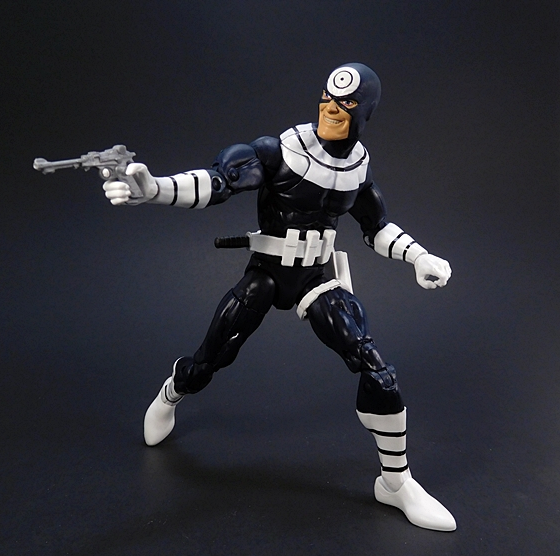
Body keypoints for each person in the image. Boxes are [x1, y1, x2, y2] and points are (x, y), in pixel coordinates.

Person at [103, 63, 456, 531]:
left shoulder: (357, 168)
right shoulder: (279, 152)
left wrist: (418, 256)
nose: (331, 109)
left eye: (346, 104)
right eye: (327, 99)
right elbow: (219, 181)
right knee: (211, 360)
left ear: (364, 112)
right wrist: (155, 190)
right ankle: (173, 391)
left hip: (317, 278)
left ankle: (396, 483)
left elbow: (376, 227)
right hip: (268, 273)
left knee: (376, 370)